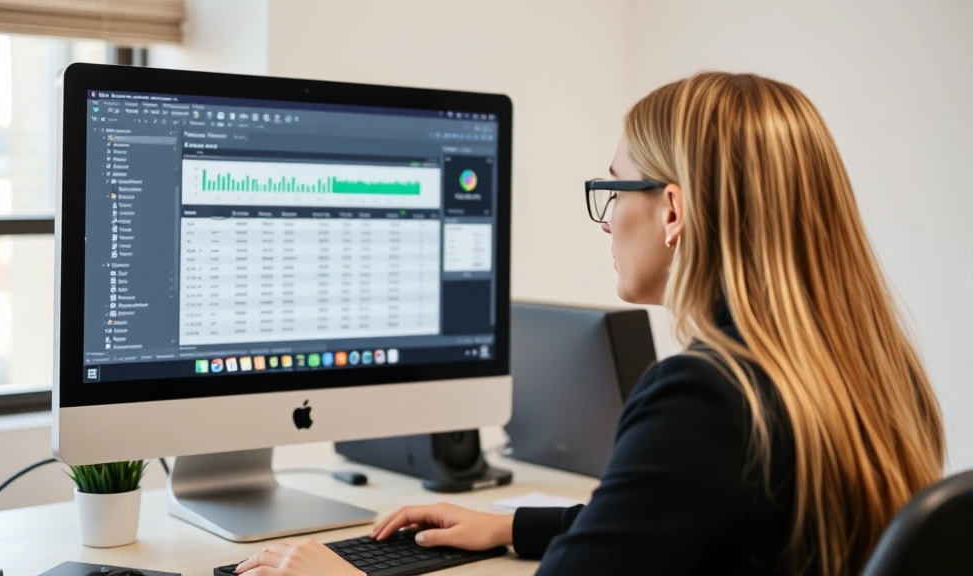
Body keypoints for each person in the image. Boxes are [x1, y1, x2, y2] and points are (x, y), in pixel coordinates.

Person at [234, 72, 945, 576]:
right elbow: (694, 521)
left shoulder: (704, 398)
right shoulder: (867, 374)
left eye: (612, 188)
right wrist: (515, 525)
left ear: (671, 210)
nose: (606, 221)